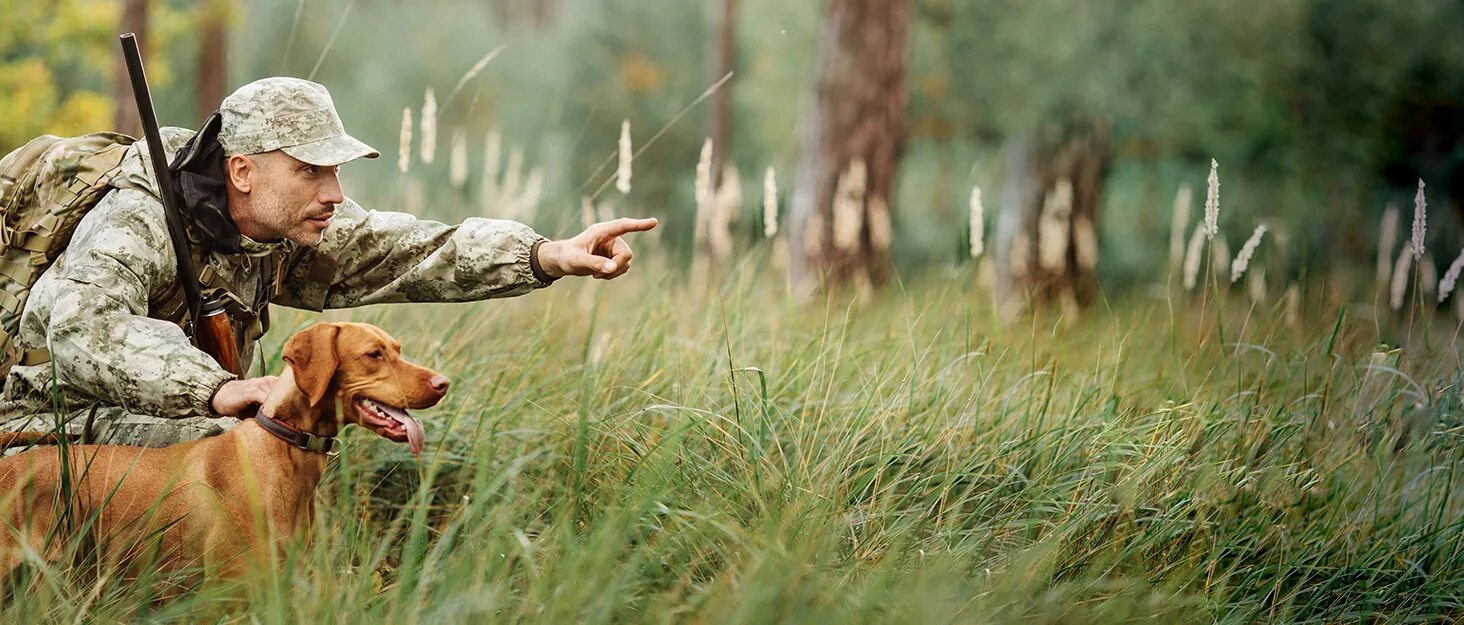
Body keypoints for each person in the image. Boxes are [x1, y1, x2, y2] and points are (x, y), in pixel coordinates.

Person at [0, 77, 655, 447]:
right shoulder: (141, 213)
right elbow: (80, 327)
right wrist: (217, 389)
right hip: (37, 421)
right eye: (311, 169)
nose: (333, 193)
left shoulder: (286, 225)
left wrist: (546, 253)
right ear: (243, 171)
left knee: (272, 444)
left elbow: (413, 249)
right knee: (226, 446)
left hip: (139, 419)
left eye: (334, 170)